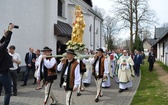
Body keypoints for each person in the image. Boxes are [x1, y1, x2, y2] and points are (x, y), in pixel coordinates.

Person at [0, 24, 14, 105]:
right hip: (3, 74)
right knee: (8, 92)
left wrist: (4, 36)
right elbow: (7, 41)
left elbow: (2, 41)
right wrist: (10, 30)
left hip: (1, 73)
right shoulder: (1, 50)